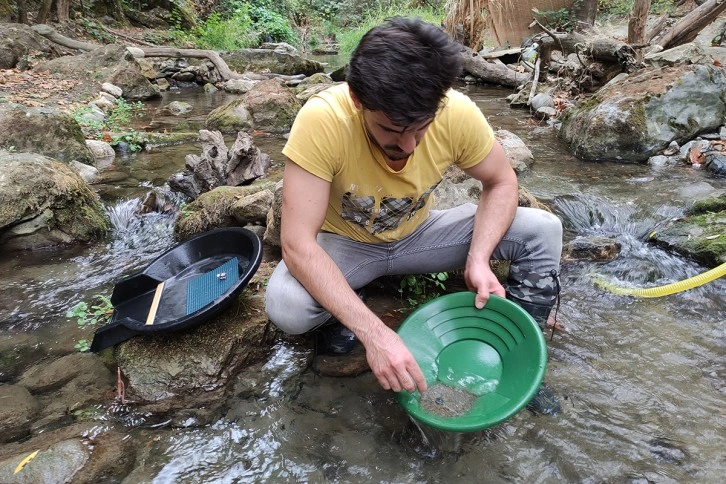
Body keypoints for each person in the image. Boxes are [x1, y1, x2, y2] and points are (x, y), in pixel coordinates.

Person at [265, 17, 562, 395]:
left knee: (542, 229)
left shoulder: (456, 111)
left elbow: (501, 181)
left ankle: (523, 344)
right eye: (391, 129)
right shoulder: (324, 118)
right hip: (345, 245)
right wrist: (375, 334)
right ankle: (343, 310)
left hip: (421, 235)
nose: (407, 146)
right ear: (358, 100)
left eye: (420, 127)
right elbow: (296, 244)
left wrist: (478, 258)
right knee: (286, 306)